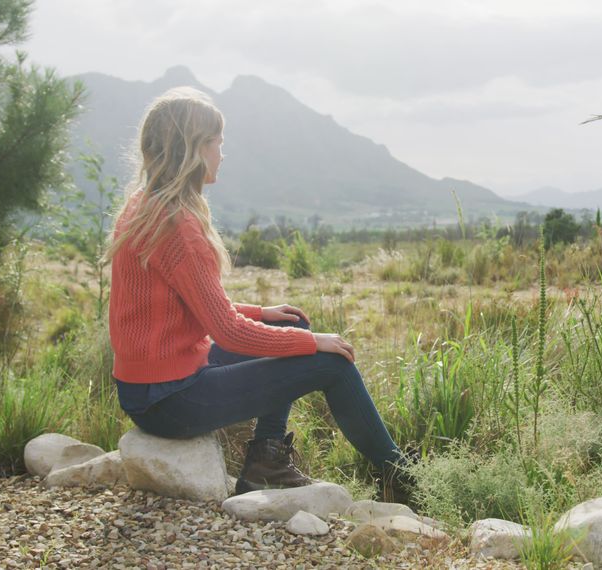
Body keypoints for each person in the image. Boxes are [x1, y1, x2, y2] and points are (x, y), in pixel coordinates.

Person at [104, 86, 412, 502]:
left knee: (292, 323)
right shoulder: (177, 224)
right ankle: (404, 476)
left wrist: (263, 313)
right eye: (216, 143)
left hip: (151, 387)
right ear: (193, 149)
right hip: (170, 400)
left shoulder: (146, 207)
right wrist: (313, 343)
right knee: (332, 364)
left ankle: (266, 461)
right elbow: (229, 333)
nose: (222, 153)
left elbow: (189, 308)